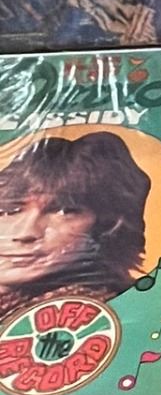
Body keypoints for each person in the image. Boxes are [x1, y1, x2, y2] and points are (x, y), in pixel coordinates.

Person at [0, 131, 150, 321]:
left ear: (108, 225)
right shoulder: (9, 306)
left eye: (64, 211)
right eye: (9, 211)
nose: (25, 233)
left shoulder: (102, 315)